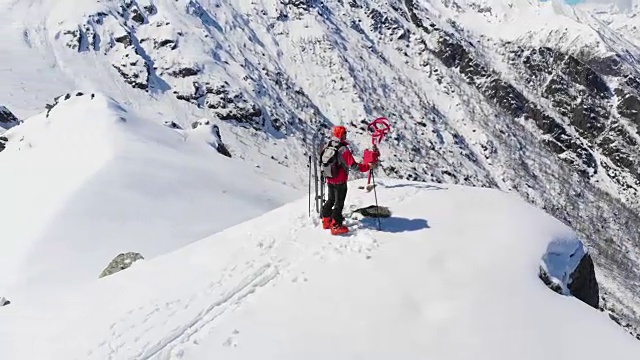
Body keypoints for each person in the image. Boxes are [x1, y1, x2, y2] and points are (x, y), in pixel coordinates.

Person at [319, 125, 377, 235]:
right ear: (342, 135)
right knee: (339, 203)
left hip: (329, 177)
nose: (346, 135)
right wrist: (368, 166)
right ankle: (336, 225)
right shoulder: (343, 149)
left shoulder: (327, 145)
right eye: (345, 133)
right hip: (340, 179)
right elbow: (354, 166)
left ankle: (326, 221)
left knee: (331, 200)